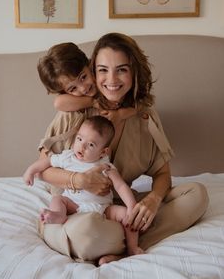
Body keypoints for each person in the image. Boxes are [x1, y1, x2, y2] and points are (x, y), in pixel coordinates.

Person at [38, 32, 209, 265]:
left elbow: (162, 174)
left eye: (122, 69)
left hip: (118, 207)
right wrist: (79, 181)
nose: (112, 79)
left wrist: (153, 201)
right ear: (93, 71)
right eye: (103, 70)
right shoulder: (73, 111)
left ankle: (119, 245)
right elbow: (43, 170)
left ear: (133, 72)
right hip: (74, 210)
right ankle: (126, 243)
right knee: (85, 231)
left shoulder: (144, 117)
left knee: (196, 195)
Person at [24, 116, 143, 257]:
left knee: (126, 215)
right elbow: (47, 162)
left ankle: (132, 247)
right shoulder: (68, 157)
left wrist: (131, 206)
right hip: (73, 205)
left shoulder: (105, 166)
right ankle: (59, 216)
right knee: (57, 199)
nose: (82, 147)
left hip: (102, 209)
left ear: (104, 151)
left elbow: (121, 186)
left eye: (91, 145)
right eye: (79, 139)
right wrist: (30, 171)